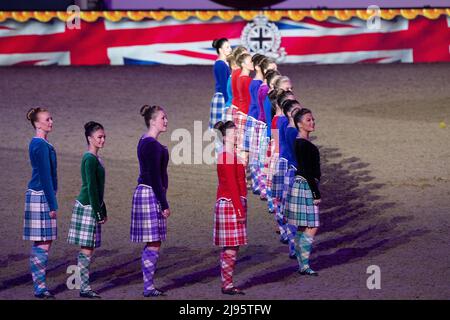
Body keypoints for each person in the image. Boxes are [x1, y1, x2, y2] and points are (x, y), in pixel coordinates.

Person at [130, 105, 171, 297]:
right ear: (152, 121)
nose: (166, 121)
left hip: (145, 192)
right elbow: (155, 176)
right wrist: (164, 203)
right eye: (162, 118)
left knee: (153, 242)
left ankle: (149, 286)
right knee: (154, 242)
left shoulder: (144, 141)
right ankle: (148, 287)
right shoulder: (152, 145)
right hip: (150, 193)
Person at [67, 121, 107, 298]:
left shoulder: (95, 157)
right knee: (87, 248)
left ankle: (84, 286)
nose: (103, 140)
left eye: (104, 136)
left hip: (93, 204)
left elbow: (98, 188)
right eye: (99, 137)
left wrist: (102, 208)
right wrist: (98, 211)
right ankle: (84, 287)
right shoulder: (89, 158)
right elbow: (91, 187)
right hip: (88, 206)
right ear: (90, 138)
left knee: (88, 248)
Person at [23, 107, 58, 299]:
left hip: (39, 194)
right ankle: (40, 287)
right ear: (37, 123)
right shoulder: (40, 145)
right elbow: (45, 176)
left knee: (43, 241)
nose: (51, 122)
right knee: (43, 242)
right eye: (47, 119)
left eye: (51, 118)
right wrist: (52, 205)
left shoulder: (40, 143)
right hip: (41, 195)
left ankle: (40, 286)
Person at [285, 108, 321, 276]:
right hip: (306, 185)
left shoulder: (301, 142)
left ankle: (302, 263)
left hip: (301, 184)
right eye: (308, 120)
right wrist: (316, 194)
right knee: (311, 226)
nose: (312, 122)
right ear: (299, 124)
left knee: (303, 227)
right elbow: (307, 170)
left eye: (312, 119)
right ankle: (304, 264)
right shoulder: (302, 143)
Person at [213, 121, 247, 295]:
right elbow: (233, 186)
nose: (237, 136)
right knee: (231, 246)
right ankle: (227, 284)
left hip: (231, 202)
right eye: (234, 133)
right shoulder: (227, 156)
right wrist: (240, 210)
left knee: (231, 246)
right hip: (231, 204)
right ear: (226, 137)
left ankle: (227, 282)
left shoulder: (230, 155)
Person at [209, 38, 232, 129]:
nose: (230, 49)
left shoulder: (224, 63)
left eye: (229, 47)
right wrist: (228, 102)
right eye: (227, 47)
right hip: (223, 97)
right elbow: (223, 85)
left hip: (223, 96)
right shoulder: (220, 65)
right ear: (220, 50)